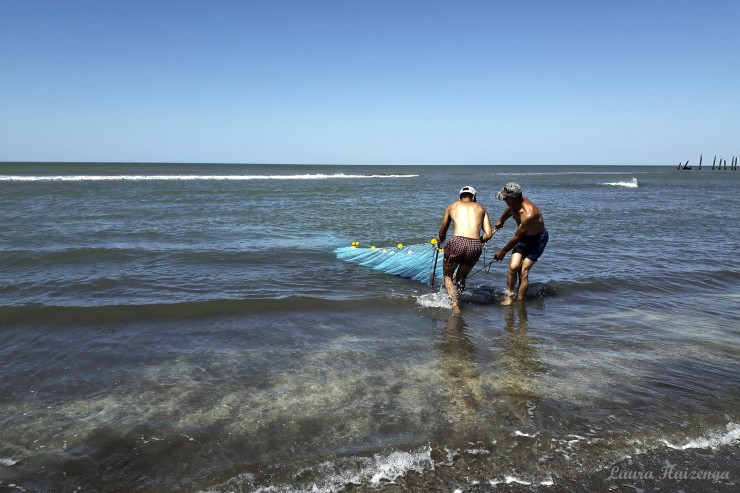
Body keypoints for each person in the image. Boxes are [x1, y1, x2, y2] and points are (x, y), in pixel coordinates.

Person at [437, 186, 493, 313]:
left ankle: (455, 304)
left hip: (457, 241)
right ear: (473, 197)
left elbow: (442, 232)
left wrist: (439, 241)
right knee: (461, 277)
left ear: (460, 197)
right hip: (475, 244)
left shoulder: (452, 207)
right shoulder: (481, 208)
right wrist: (478, 241)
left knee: (447, 275)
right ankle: (459, 298)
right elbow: (488, 234)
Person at [493, 182, 548, 305]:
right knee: (513, 267)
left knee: (523, 271)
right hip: (524, 238)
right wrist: (501, 219)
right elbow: (511, 209)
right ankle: (509, 296)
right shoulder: (514, 203)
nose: (504, 200)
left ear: (514, 197)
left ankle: (520, 302)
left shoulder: (528, 214)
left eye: (506, 198)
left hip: (537, 240)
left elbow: (516, 238)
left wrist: (502, 251)